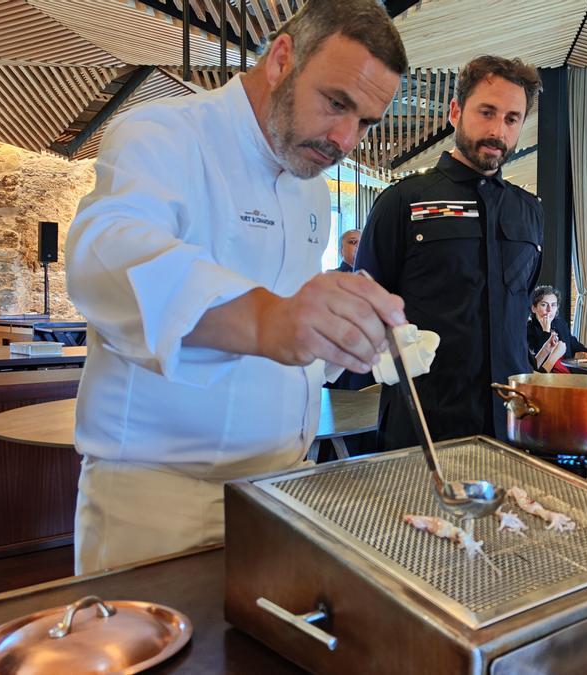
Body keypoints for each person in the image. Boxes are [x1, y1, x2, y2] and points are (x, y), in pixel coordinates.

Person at [64, 0, 408, 574]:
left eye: (366, 123)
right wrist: (268, 321)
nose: (346, 140)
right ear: (280, 60)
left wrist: (341, 334)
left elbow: (295, 325)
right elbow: (105, 256)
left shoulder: (310, 187)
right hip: (160, 497)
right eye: (336, 103)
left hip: (283, 488)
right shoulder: (165, 135)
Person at [356, 55, 543, 450]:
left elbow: (520, 305)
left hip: (512, 424)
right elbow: (367, 311)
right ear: (456, 111)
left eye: (512, 118)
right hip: (424, 424)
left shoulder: (529, 212)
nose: (497, 130)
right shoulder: (402, 202)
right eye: (486, 112)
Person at [528, 285, 587, 372]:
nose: (549, 309)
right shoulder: (527, 330)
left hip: (568, 373)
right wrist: (546, 331)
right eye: (544, 305)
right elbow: (536, 365)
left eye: (553, 305)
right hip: (545, 378)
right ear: (534, 308)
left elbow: (575, 345)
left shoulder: (560, 324)